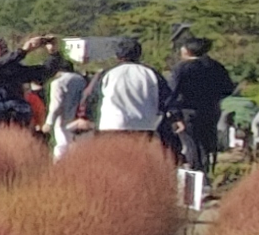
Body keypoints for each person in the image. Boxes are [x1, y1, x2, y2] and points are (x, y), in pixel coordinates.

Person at [166, 35, 235, 206]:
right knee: (206, 148)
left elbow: (171, 94)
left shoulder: (182, 69)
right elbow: (228, 89)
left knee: (192, 149)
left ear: (187, 50)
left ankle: (194, 192)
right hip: (211, 111)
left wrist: (174, 115)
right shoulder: (216, 67)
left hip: (188, 113)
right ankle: (205, 184)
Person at [0, 34, 64, 130]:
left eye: (5, 47)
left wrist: (53, 53)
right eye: (0, 48)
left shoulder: (13, 70)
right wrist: (23, 51)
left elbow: (43, 73)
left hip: (17, 113)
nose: (4, 50)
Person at [91, 35, 167, 147]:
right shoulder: (151, 73)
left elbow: (94, 98)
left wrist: (91, 118)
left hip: (112, 123)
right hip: (144, 124)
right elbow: (165, 99)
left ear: (117, 55)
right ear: (139, 54)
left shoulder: (108, 73)